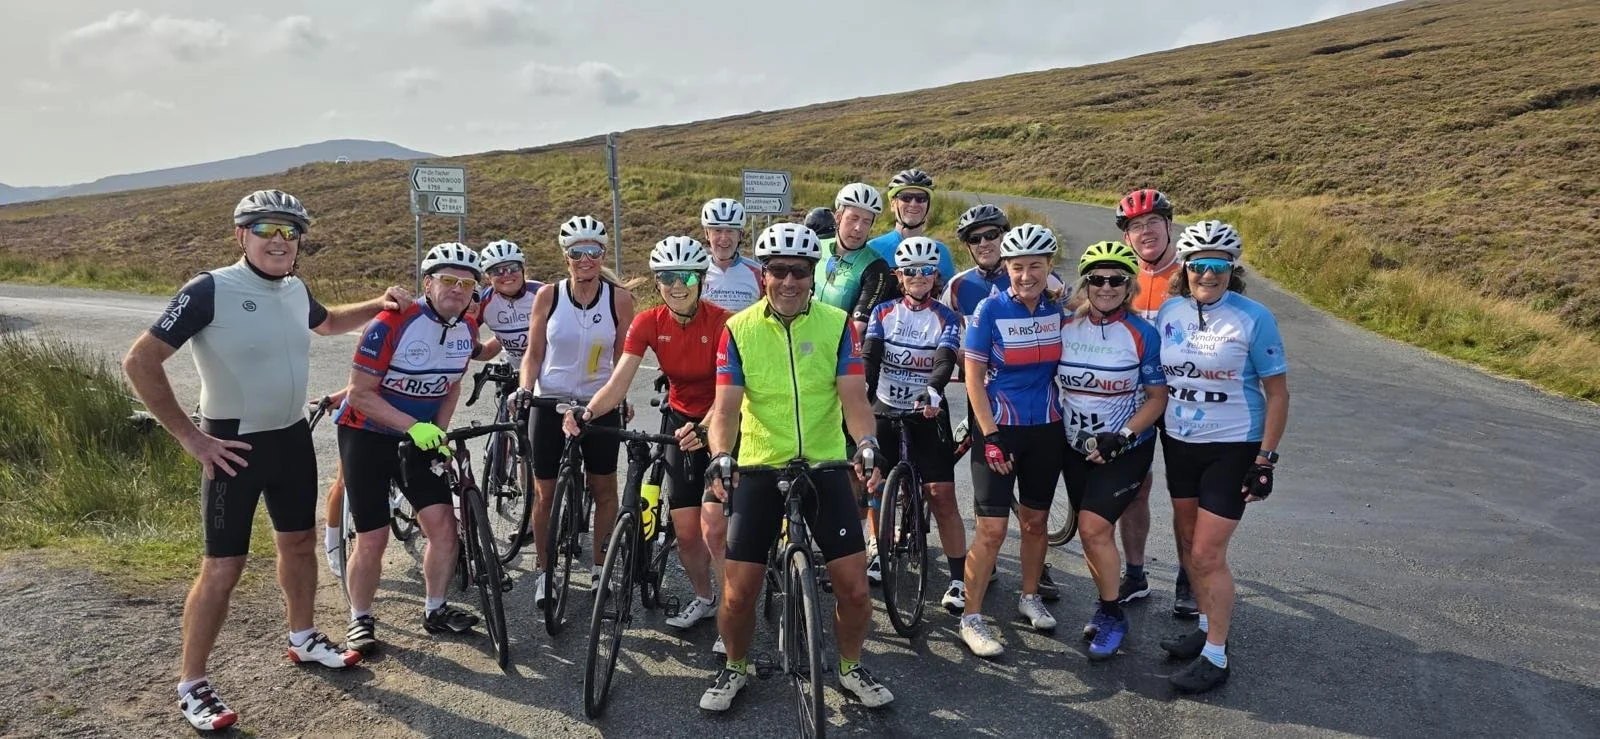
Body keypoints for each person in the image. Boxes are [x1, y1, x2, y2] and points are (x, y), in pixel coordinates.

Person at [122, 189, 407, 731]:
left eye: (290, 231)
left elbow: (325, 322)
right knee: (223, 568)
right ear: (241, 235)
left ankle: (302, 637)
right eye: (266, 229)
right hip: (232, 445)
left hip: (292, 438)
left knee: (298, 544)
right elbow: (139, 361)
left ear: (299, 241)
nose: (279, 241)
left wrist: (380, 304)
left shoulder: (295, 288)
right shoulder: (210, 289)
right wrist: (192, 438)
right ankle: (192, 684)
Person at [699, 222, 894, 712]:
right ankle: (735, 666)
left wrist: (866, 442)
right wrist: (721, 454)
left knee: (852, 588)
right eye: (779, 270)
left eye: (800, 271)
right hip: (761, 465)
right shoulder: (737, 330)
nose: (790, 281)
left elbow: (854, 397)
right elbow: (724, 409)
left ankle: (850, 665)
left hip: (826, 463)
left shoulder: (837, 324)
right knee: (739, 592)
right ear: (764, 274)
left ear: (813, 273)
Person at [563, 236, 731, 649]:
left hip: (723, 419)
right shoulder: (648, 322)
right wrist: (587, 414)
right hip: (678, 423)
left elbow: (731, 392)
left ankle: (733, 610)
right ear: (657, 283)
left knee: (714, 529)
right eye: (667, 278)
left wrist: (707, 426)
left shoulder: (725, 323)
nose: (677, 285)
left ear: (701, 279)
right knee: (687, 531)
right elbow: (619, 383)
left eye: (686, 277)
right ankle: (704, 598)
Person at [1154, 220, 1290, 693]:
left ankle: (1217, 653)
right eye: (1199, 265)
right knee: (1189, 544)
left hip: (1234, 446)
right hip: (1179, 442)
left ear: (1233, 269)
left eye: (1220, 266)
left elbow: (1277, 394)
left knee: (1209, 554)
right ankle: (1207, 628)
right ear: (1185, 268)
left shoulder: (1254, 316)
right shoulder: (1169, 310)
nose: (1208, 275)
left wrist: (1266, 460)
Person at [338, 242, 487, 656]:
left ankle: (435, 609)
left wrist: (437, 433)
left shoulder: (467, 328)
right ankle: (360, 618)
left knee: (443, 529)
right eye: (448, 280)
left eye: (467, 283)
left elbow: (452, 385)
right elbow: (359, 394)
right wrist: (415, 427)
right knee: (373, 537)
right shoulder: (391, 322)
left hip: (419, 437)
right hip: (366, 435)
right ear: (428, 282)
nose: (458, 289)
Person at [940, 204, 1064, 600]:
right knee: (990, 527)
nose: (1026, 275)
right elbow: (950, 338)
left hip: (1046, 426)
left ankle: (1031, 592)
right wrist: (990, 432)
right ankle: (971, 609)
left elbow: (1088, 315)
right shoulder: (976, 298)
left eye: (1035, 266)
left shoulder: (1057, 302)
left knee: (1035, 522)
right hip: (994, 417)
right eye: (975, 238)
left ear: (1048, 266)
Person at [513, 215, 636, 602]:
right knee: (544, 493)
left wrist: (619, 397)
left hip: (598, 405)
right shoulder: (548, 296)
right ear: (565, 256)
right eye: (577, 252)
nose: (586, 259)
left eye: (593, 252)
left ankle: (601, 569)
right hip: (550, 402)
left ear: (602, 254)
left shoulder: (619, 299)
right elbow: (534, 353)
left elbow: (622, 358)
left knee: (603, 488)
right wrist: (525, 389)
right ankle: (544, 572)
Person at [1055, 241, 1167, 661]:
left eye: (1116, 279)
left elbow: (1157, 398)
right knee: (1091, 534)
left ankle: (1111, 612)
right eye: (1097, 279)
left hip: (1125, 447)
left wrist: (1121, 435)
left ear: (1129, 285)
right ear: (1086, 284)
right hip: (1075, 444)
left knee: (1092, 527)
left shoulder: (1142, 334)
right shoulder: (1066, 327)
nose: (1106, 287)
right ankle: (1110, 595)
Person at [861, 237, 969, 611]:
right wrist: (863, 388)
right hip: (887, 407)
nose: (918, 277)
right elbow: (871, 356)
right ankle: (877, 549)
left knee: (941, 495)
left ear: (935, 275)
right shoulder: (883, 312)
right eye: (911, 271)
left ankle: (958, 579)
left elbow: (944, 359)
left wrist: (933, 390)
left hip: (927, 410)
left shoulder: (946, 317)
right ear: (899, 276)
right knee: (874, 482)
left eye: (926, 271)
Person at [1113, 188, 1195, 615]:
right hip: (1135, 400)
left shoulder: (1189, 276)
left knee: (1186, 497)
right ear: (1126, 237)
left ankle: (1190, 578)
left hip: (1182, 400)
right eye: (1135, 226)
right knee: (1135, 490)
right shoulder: (1120, 275)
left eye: (1153, 223)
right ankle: (1136, 573)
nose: (1145, 232)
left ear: (1169, 226)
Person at [814, 182, 899, 582]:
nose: (859, 227)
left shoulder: (875, 267)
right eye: (853, 218)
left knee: (855, 463)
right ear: (838, 216)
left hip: (846, 366)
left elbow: (859, 326)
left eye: (867, 221)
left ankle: (860, 544)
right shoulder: (815, 252)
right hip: (805, 367)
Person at [865, 169, 956, 283]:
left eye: (921, 198)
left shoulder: (941, 251)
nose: (913, 204)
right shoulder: (873, 249)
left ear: (928, 207)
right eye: (906, 197)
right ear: (893, 204)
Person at [472, 239, 545, 364]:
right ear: (488, 277)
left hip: (548, 368)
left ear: (522, 269)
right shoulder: (484, 301)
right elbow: (463, 330)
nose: (506, 274)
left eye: (513, 268)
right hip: (513, 369)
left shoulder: (542, 293)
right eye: (497, 271)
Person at [699, 198, 764, 313]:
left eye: (730, 231)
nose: (724, 238)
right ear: (707, 234)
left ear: (740, 235)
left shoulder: (759, 274)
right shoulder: (696, 273)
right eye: (718, 230)